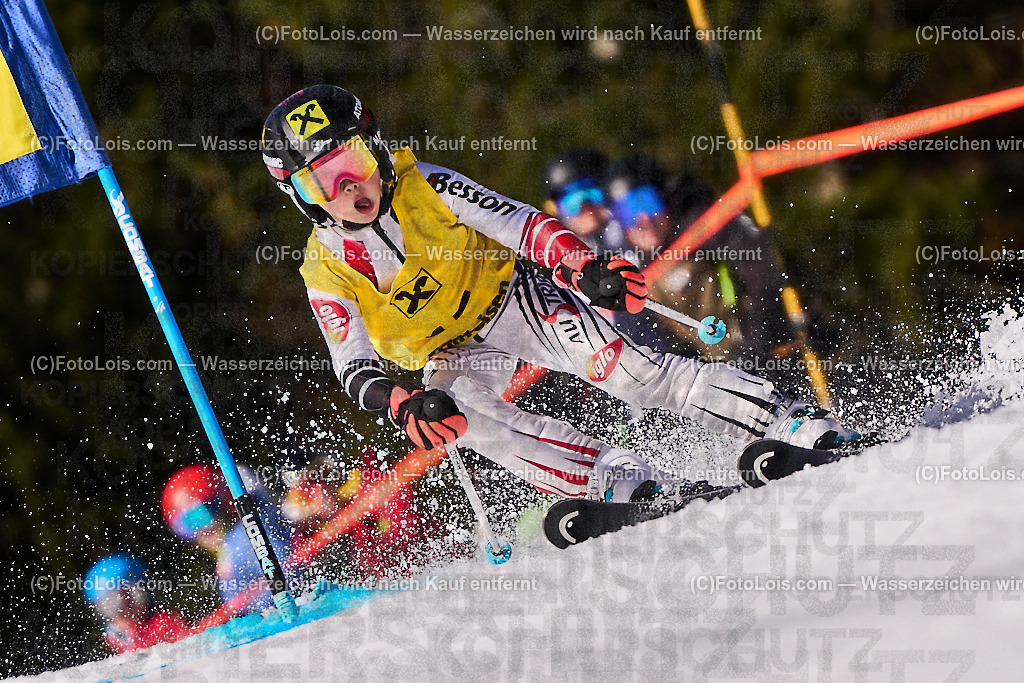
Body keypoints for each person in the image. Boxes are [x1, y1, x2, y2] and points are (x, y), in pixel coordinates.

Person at [260, 85, 856, 504]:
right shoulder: (326, 270)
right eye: (324, 180)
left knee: (635, 376)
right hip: (449, 353)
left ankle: (787, 419)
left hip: (511, 300)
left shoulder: (429, 186)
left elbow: (520, 224)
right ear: (301, 194)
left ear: (377, 146)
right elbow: (353, 362)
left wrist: (582, 264)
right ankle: (609, 477)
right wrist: (401, 403)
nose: (352, 189)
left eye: (356, 160)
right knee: (465, 418)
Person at [604, 154, 795, 361]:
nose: (643, 219)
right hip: (719, 365)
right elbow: (641, 336)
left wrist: (757, 343)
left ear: (665, 196)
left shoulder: (703, 224)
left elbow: (763, 273)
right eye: (626, 212)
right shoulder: (631, 264)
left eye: (647, 203)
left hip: (773, 345)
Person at [83, 553, 191, 654]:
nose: (124, 602)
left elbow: (190, 640)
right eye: (112, 600)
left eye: (132, 593)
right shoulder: (110, 640)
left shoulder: (163, 623)